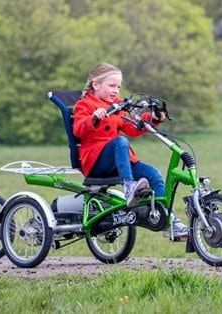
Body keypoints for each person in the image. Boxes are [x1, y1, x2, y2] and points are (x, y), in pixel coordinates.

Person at [72, 62, 188, 238]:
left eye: (118, 87)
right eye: (111, 86)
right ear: (96, 84)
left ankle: (168, 221)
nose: (116, 91)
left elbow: (133, 127)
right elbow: (78, 129)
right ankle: (129, 188)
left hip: (119, 160)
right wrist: (94, 117)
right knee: (120, 141)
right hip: (96, 162)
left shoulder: (117, 106)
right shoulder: (85, 105)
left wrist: (152, 118)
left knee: (153, 174)